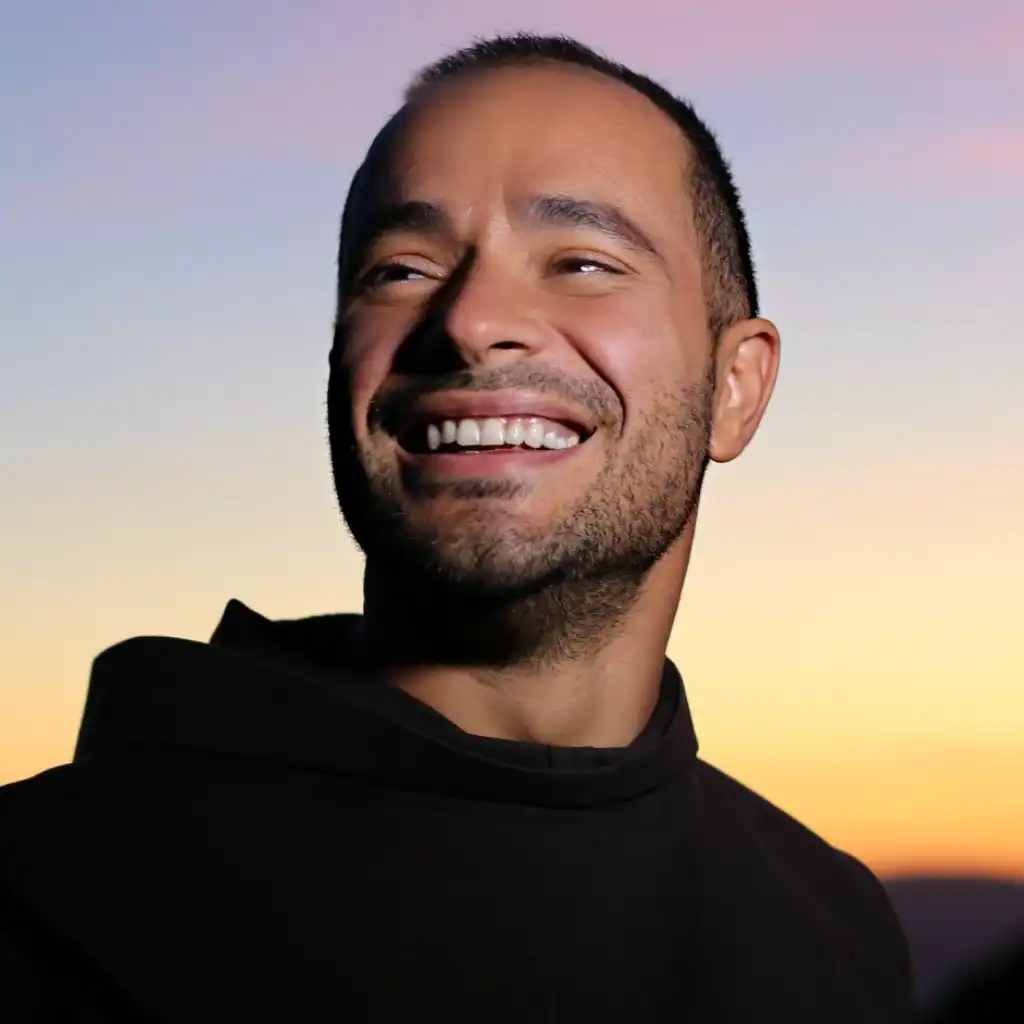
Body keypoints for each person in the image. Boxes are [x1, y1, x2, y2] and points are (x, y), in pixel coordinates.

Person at [0, 33, 915, 1022]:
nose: (472, 320)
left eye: (581, 261)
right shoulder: (42, 903)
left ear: (736, 388)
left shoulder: (831, 933)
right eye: (401, 271)